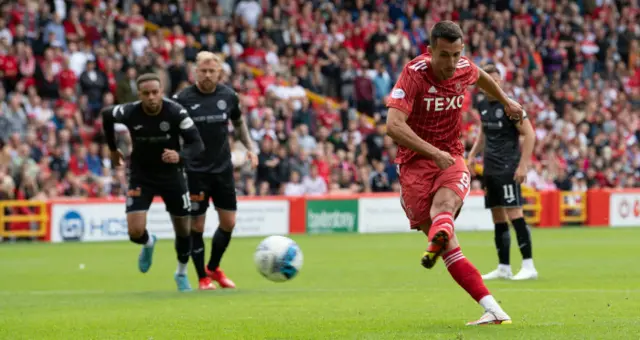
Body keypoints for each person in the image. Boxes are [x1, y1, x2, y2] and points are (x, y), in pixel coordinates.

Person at [385, 21, 523, 325]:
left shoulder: (462, 67)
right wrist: (433, 153)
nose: (451, 63)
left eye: (456, 54)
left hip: (452, 157)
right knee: (449, 246)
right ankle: (493, 310)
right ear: (430, 50)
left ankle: (442, 233)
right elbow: (393, 125)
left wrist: (505, 99)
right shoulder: (413, 74)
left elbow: (482, 77)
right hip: (415, 165)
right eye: (444, 55)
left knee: (443, 208)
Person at [101, 73, 204, 292]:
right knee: (135, 232)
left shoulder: (176, 112)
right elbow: (106, 115)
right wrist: (112, 148)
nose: (151, 97)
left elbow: (197, 144)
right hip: (142, 176)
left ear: (161, 92)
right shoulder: (130, 111)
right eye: (146, 93)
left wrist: (181, 156)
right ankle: (148, 243)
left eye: (155, 92)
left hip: (172, 176)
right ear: (139, 95)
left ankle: (181, 273)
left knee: (184, 231)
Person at [172, 52, 258, 290]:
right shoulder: (182, 99)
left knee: (228, 222)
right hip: (195, 171)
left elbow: (239, 124)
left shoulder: (229, 96)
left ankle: (214, 267)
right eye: (203, 71)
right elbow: (171, 132)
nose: (208, 75)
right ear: (195, 71)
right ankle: (202, 278)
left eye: (212, 71)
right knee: (196, 227)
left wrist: (250, 148)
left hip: (222, 169)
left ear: (219, 72)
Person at [467, 64, 538, 281]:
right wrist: (472, 155)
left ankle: (528, 265)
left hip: (509, 167)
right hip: (490, 168)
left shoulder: (511, 106)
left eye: (497, 80)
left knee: (515, 214)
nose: (495, 84)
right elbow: (484, 132)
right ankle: (504, 267)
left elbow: (530, 134)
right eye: (490, 80)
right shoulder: (482, 105)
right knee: (497, 216)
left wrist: (523, 165)